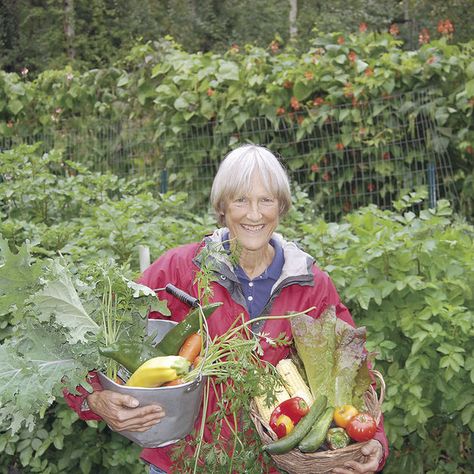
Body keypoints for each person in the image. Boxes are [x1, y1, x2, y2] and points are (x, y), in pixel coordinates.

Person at [65, 144, 388, 473]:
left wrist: (374, 439)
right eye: (241, 200)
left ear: (282, 206)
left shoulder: (310, 285)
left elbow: (354, 369)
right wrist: (93, 398)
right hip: (183, 463)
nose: (254, 213)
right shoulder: (179, 269)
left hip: (278, 465)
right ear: (222, 207)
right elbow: (101, 338)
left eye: (266, 200)